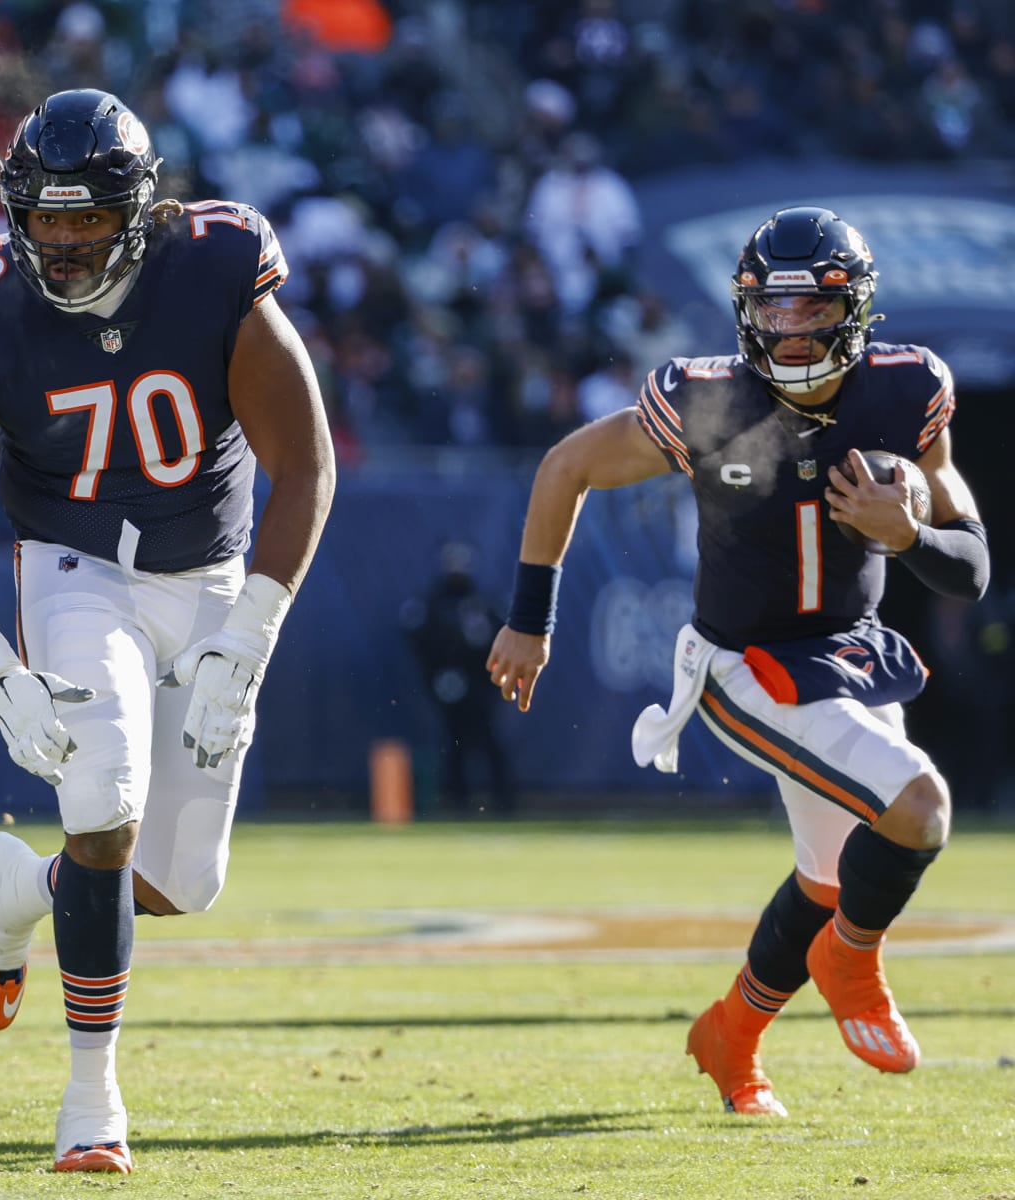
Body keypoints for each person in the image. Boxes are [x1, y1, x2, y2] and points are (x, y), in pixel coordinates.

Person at [0, 89, 334, 1173]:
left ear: (137, 210)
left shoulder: (214, 265)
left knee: (180, 882)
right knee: (101, 804)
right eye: (44, 219)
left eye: (87, 217)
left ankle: (22, 889)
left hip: (212, 575)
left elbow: (307, 466)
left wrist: (253, 631)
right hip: (74, 567)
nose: (62, 242)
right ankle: (91, 1097)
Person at [485, 207, 990, 1117]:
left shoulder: (906, 387)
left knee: (831, 881)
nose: (791, 330)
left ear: (856, 308)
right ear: (745, 310)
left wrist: (909, 535)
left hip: (850, 655)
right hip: (743, 664)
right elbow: (565, 467)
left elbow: (973, 568)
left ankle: (731, 1034)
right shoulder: (706, 398)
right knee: (919, 808)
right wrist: (530, 620)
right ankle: (852, 962)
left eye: (813, 308)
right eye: (774, 308)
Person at [401, 540, 514, 815]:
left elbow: (500, 635)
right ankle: (458, 798)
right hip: (449, 679)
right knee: (455, 741)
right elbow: (419, 640)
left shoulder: (482, 601)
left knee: (488, 738)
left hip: (481, 680)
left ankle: (503, 799)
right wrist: (439, 670)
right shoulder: (433, 603)